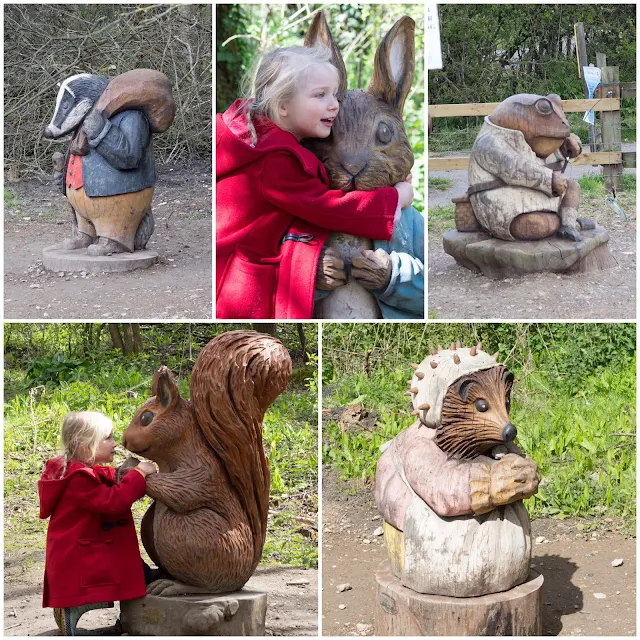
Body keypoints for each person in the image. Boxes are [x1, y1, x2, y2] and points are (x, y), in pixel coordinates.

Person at [216, 45, 414, 319]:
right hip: (240, 282)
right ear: (282, 105)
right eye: (320, 95)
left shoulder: (249, 133)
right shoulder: (275, 159)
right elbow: (329, 209)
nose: (335, 104)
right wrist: (397, 198)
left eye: (334, 93)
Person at [38, 411, 156, 636]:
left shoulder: (81, 472)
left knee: (140, 573)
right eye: (108, 438)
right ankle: (70, 609)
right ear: (86, 446)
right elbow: (113, 502)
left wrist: (121, 475)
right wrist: (139, 474)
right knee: (132, 577)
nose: (115, 442)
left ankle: (146, 581)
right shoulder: (78, 479)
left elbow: (104, 483)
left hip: (97, 547)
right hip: (84, 557)